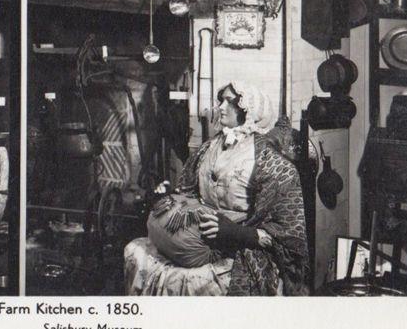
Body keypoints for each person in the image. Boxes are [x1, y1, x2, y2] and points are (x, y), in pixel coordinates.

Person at [126, 81, 308, 296]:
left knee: (196, 282)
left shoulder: (273, 163)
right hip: (199, 235)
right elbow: (188, 191)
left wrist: (238, 233)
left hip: (239, 247)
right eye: (221, 100)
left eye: (230, 101)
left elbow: (290, 238)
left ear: (249, 109)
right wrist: (171, 202)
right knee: (135, 250)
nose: (220, 107)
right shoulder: (208, 148)